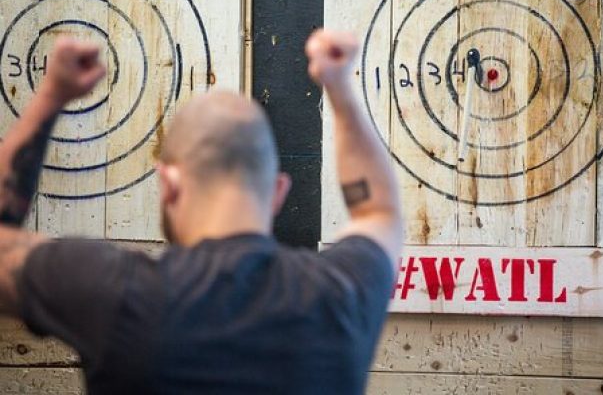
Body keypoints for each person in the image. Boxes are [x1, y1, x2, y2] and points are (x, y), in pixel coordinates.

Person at [0, 31, 402, 394]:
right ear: (278, 192)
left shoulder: (116, 293)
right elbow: (378, 211)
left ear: (169, 185)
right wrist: (340, 87)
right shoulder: (340, 294)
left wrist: (51, 95)